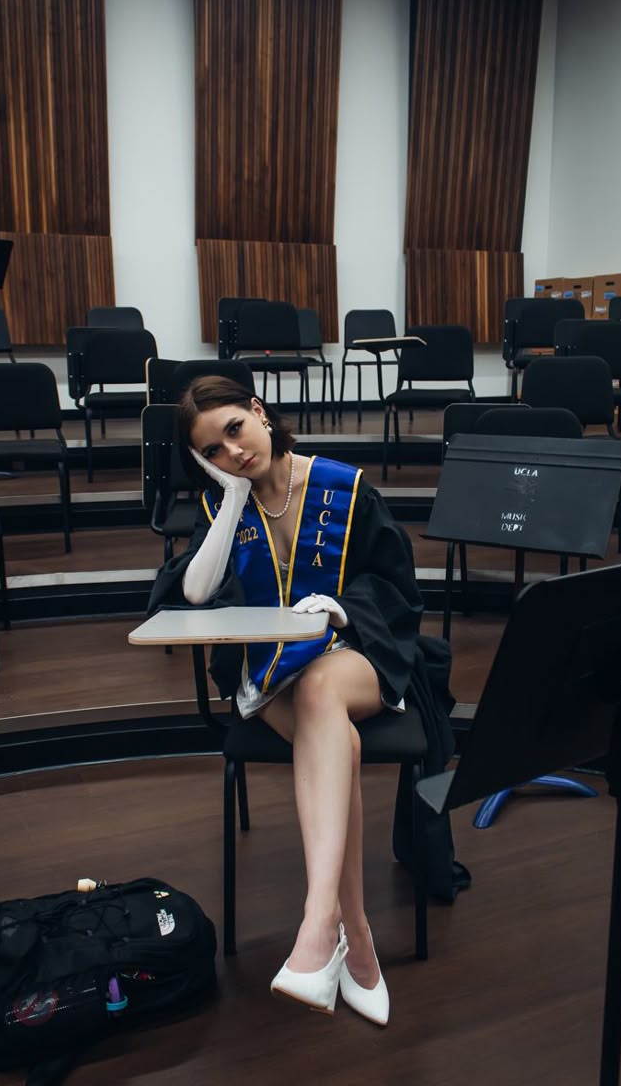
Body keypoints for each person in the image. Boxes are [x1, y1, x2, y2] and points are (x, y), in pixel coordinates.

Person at [147, 375, 434, 1026]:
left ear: (258, 412)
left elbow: (395, 587)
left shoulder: (343, 486)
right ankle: (355, 940)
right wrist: (228, 497)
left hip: (352, 653)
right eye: (211, 451)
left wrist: (340, 610)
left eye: (234, 430)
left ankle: (317, 923)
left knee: (324, 688)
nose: (232, 451)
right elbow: (193, 593)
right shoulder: (224, 500)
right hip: (269, 673)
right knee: (324, 719)